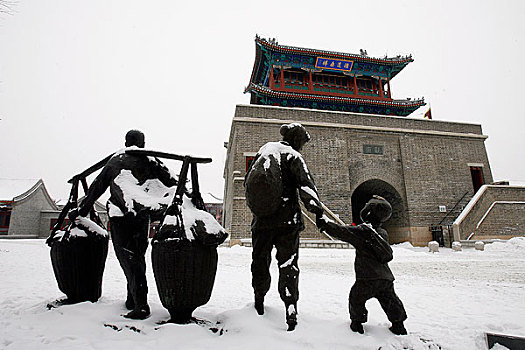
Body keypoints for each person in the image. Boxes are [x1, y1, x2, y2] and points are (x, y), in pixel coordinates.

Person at [69, 130, 178, 320]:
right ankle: (132, 298)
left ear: (126, 142)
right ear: (143, 143)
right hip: (142, 217)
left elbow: (97, 187)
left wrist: (81, 210)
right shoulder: (150, 160)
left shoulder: (117, 160)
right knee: (137, 258)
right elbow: (173, 181)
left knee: (128, 259)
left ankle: (141, 305)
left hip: (121, 217)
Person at [245, 123, 323, 331]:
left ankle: (258, 298)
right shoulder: (293, 157)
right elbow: (306, 186)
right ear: (297, 140)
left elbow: (248, 182)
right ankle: (290, 307)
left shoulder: (265, 151)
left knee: (260, 260)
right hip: (287, 221)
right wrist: (318, 211)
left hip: (261, 221)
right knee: (288, 264)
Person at [316, 195, 408, 335]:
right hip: (385, 277)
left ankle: (357, 323)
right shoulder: (382, 232)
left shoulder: (363, 231)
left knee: (356, 298)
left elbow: (342, 232)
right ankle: (398, 325)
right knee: (390, 300)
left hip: (367, 277)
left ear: (369, 211)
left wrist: (325, 224)